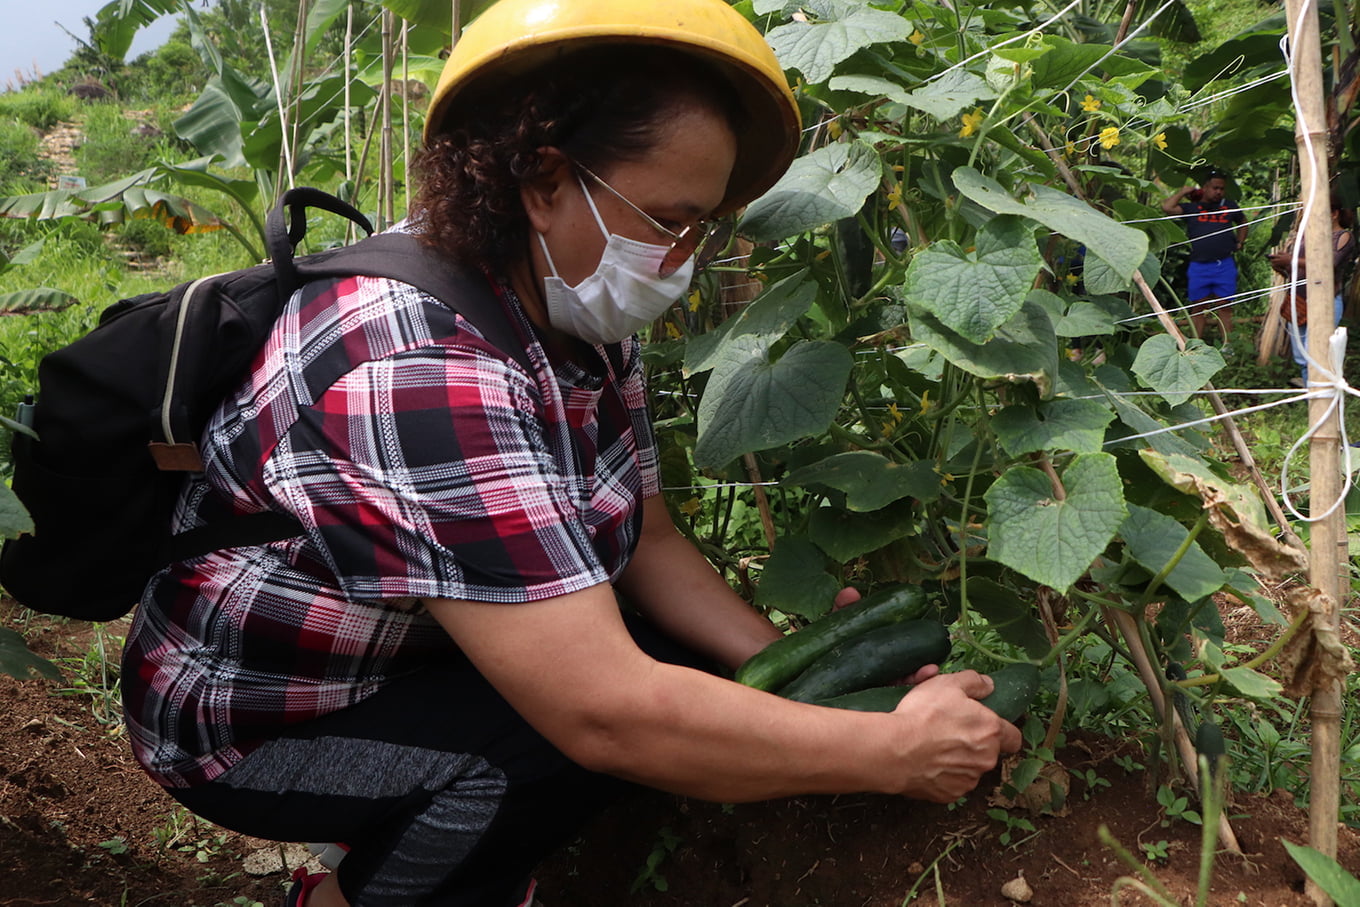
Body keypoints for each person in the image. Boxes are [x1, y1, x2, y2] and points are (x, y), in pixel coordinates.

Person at [119, 2, 1021, 906]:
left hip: (402, 652)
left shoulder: (564, 307)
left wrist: (811, 661)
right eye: (669, 219)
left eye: (701, 227)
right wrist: (891, 752)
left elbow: (651, 539)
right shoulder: (419, 366)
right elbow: (606, 714)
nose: (684, 258)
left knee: (695, 687)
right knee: (563, 747)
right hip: (257, 716)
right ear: (546, 179)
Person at [1268, 194, 1356, 385]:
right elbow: (1297, 269)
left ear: (1334, 214)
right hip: (1298, 299)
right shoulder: (1305, 235)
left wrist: (1290, 260)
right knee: (1302, 356)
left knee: (1318, 352)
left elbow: (1328, 265)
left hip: (1326, 300)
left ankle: (1321, 400)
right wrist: (1282, 265)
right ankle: (1311, 399)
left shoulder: (1343, 236)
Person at [1161, 169, 1249, 342]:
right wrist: (1183, 192)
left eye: (1221, 189)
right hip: (1199, 265)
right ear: (1205, 188)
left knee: (1225, 306)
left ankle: (1227, 347)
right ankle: (1195, 345)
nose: (1218, 192)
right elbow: (1167, 207)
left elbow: (1243, 221)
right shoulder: (1192, 208)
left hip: (1224, 264)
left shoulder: (1229, 206)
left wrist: (1240, 241)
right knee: (1198, 306)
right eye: (1215, 188)